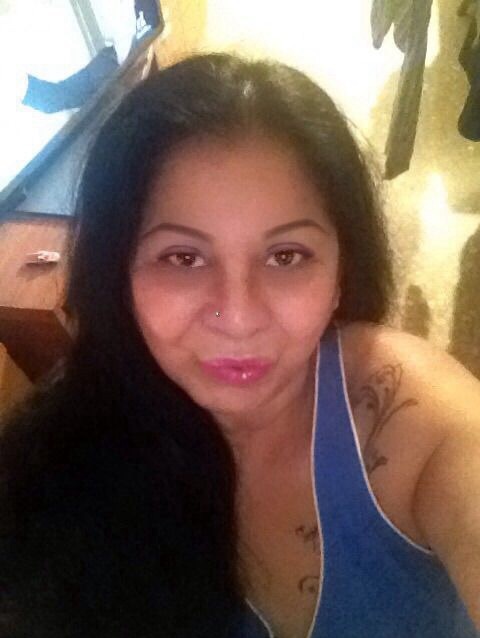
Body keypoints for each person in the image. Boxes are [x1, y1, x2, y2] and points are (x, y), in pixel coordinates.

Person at [0, 52, 479, 638]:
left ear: (340, 273)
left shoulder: (410, 417)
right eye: (183, 257)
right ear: (119, 272)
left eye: (286, 256)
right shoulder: (56, 462)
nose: (239, 318)